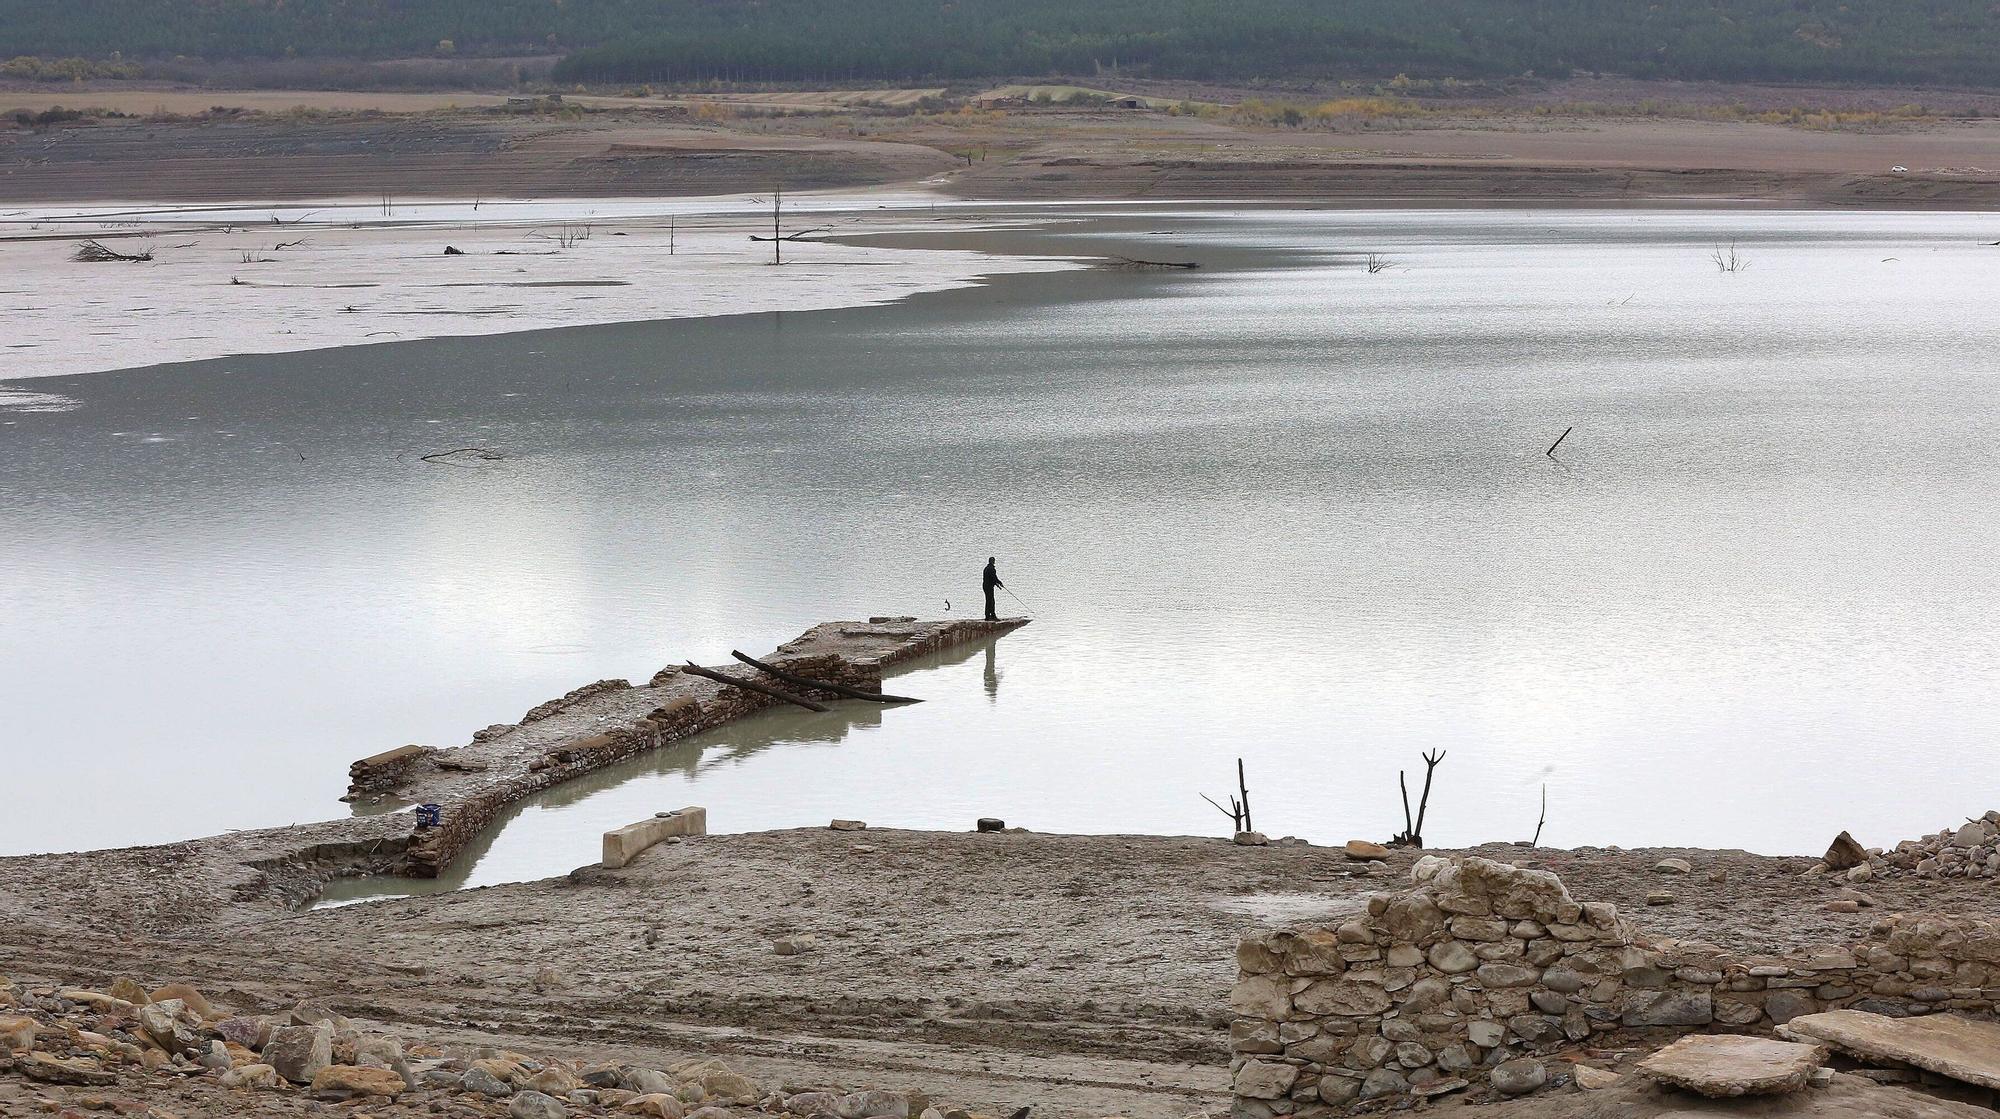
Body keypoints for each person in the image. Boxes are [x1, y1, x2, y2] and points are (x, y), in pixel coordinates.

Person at [982, 556, 1003, 621]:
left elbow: (990, 579)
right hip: (989, 587)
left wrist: (996, 584)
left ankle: (987, 616)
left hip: (985, 586)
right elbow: (994, 578)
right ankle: (992, 615)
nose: (994, 562)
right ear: (993, 561)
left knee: (988, 600)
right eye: (993, 561)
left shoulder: (986, 568)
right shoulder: (992, 569)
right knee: (991, 601)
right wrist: (1000, 582)